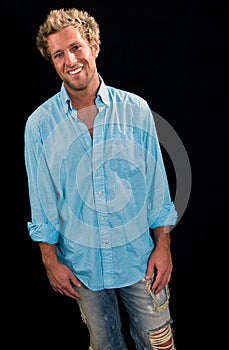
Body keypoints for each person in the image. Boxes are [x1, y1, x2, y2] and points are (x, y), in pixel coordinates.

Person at [24, 7, 178, 350]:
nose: (70, 60)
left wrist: (163, 246)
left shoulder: (136, 110)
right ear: (52, 62)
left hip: (140, 260)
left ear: (94, 45)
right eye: (58, 55)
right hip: (83, 266)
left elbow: (156, 186)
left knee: (159, 345)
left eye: (76, 47)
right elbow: (42, 198)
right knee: (105, 345)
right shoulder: (39, 126)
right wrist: (50, 260)